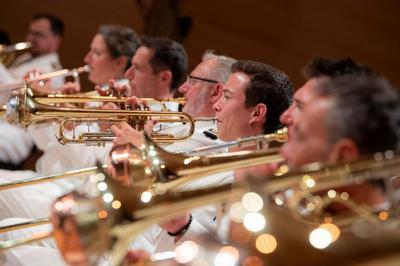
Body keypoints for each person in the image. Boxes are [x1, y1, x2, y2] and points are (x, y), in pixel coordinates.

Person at [121, 59, 293, 259]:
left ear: (257, 113)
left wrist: (182, 227)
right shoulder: (213, 153)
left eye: (227, 97)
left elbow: (229, 254)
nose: (217, 105)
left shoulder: (254, 183)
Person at [0, 14, 64, 170]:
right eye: (30, 32)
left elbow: (14, 95)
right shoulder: (26, 58)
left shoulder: (54, 72)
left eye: (39, 35)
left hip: (14, 133)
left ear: (56, 40)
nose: (31, 38)